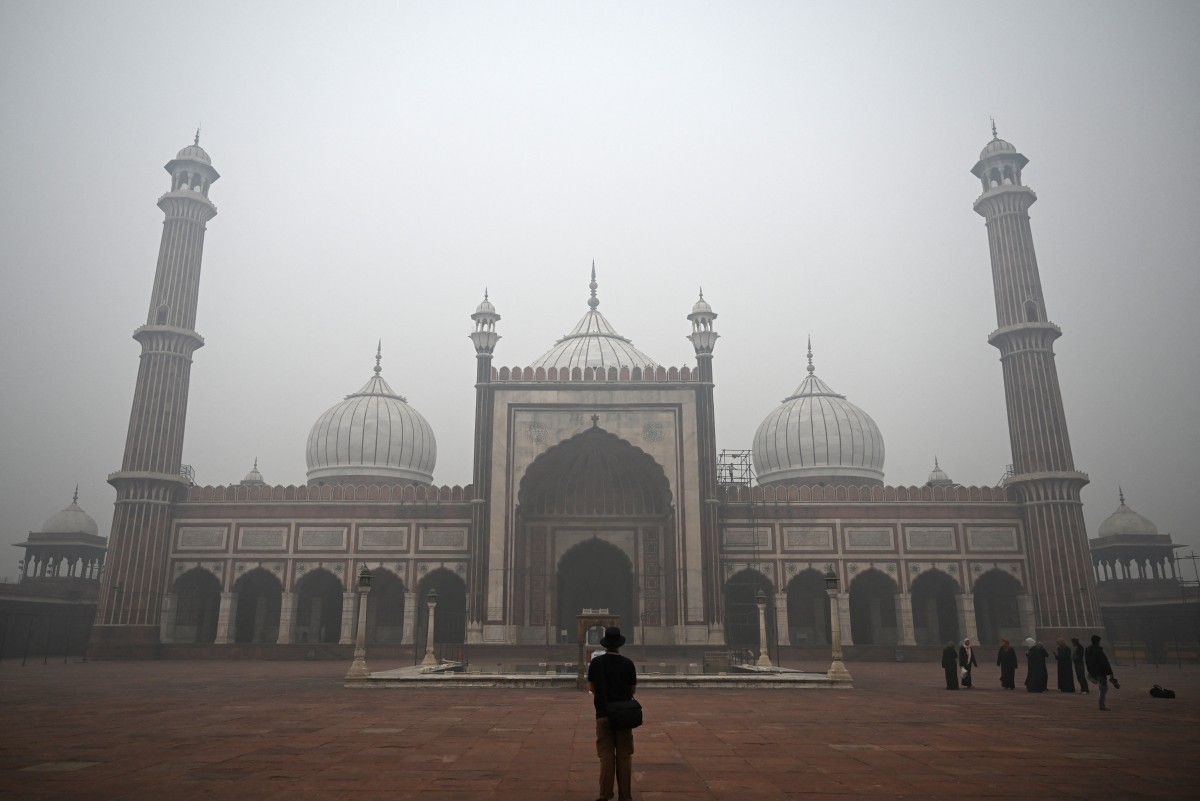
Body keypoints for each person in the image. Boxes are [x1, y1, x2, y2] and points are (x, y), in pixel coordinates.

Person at [587, 626, 638, 801]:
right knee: (624, 756)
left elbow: (592, 688)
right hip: (623, 716)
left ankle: (604, 795)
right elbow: (632, 689)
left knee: (606, 756)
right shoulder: (628, 664)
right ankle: (625, 796)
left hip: (603, 714)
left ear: (605, 645)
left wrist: (604, 698)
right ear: (619, 645)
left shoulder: (596, 663)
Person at [1085, 634, 1115, 711]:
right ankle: (1101, 705)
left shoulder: (1088, 650)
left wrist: (1090, 670)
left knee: (1102, 688)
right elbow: (1104, 663)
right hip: (1101, 672)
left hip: (1094, 671)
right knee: (1103, 688)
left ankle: (1101, 704)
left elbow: (1087, 661)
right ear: (1098, 642)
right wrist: (1110, 673)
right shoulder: (1098, 651)